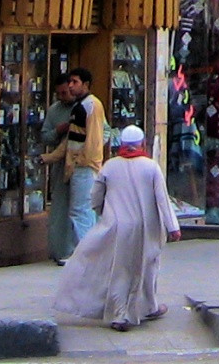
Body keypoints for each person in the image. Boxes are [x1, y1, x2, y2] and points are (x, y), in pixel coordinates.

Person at [54, 125, 180, 331]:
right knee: (147, 267)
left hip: (117, 226)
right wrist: (172, 227)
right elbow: (162, 199)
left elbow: (95, 196)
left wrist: (102, 212)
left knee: (120, 268)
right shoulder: (151, 167)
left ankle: (136, 310)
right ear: (142, 145)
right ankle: (131, 312)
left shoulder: (110, 166)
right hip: (146, 229)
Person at [42, 68, 108, 249]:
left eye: (75, 82)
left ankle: (87, 254)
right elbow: (70, 139)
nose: (70, 87)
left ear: (85, 85)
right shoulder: (76, 107)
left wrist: (83, 160)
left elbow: (95, 137)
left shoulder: (89, 105)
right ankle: (79, 251)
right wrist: (51, 157)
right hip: (76, 165)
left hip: (83, 165)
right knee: (76, 210)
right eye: (69, 82)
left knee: (81, 211)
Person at [42, 77, 75, 265]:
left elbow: (102, 132)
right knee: (60, 207)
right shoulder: (54, 111)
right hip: (61, 165)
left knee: (80, 208)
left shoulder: (85, 107)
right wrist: (57, 131)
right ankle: (59, 250)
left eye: (66, 92)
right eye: (59, 94)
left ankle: (77, 249)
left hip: (81, 164)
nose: (63, 97)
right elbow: (45, 136)